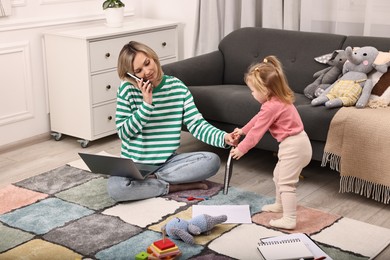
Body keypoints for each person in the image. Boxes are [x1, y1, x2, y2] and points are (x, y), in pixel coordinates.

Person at [108, 41, 235, 202]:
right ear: (130, 75)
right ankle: (173, 187)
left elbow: (196, 125)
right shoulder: (127, 90)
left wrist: (224, 137)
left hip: (168, 162)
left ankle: (152, 181)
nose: (147, 71)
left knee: (212, 161)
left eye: (147, 63)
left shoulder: (178, 88)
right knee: (116, 189)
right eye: (138, 71)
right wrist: (146, 105)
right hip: (135, 165)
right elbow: (124, 133)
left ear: (153, 58)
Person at [230, 56, 312, 229]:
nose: (252, 94)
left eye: (253, 90)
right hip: (298, 143)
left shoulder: (271, 107)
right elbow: (257, 119)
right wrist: (243, 130)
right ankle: (280, 205)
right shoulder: (277, 100)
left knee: (286, 183)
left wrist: (242, 149)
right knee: (278, 176)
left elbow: (257, 133)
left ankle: (289, 219)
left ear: (265, 90)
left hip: (293, 147)